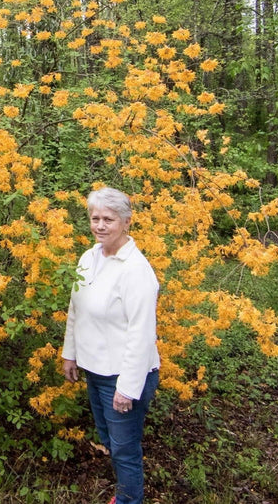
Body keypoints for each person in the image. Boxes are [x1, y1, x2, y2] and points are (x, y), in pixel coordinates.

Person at [62, 187, 160, 504]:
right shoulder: (89, 258)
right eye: (95, 218)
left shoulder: (136, 270)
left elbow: (141, 334)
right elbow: (75, 309)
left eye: (109, 219)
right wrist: (70, 354)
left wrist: (127, 388)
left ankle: (129, 499)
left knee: (124, 448)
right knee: (109, 438)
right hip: (95, 369)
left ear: (126, 222)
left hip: (122, 376)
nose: (100, 225)